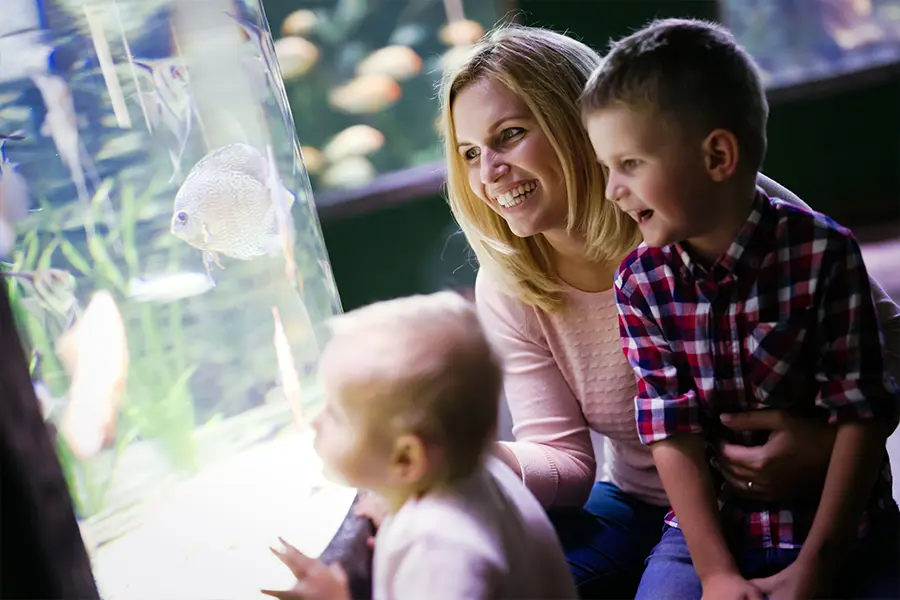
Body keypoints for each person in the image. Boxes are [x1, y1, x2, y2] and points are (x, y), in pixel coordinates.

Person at [438, 23, 900, 598]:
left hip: (793, 493)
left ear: (581, 123)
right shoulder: (508, 283)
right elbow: (566, 460)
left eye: (509, 134)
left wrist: (824, 443)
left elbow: (884, 344)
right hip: (646, 499)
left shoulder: (716, 200)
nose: (489, 172)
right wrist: (482, 457)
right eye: (470, 153)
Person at [582, 17, 900, 600]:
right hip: (709, 535)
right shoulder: (640, 282)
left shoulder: (823, 254)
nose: (612, 191)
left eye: (629, 165)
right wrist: (717, 575)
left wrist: (817, 568)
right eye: (607, 169)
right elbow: (670, 435)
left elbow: (863, 415)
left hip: (846, 526)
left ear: (718, 155)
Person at [262, 292, 577, 600]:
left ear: (406, 460)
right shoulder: (478, 474)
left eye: (336, 416)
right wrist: (396, 506)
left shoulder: (439, 550)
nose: (315, 422)